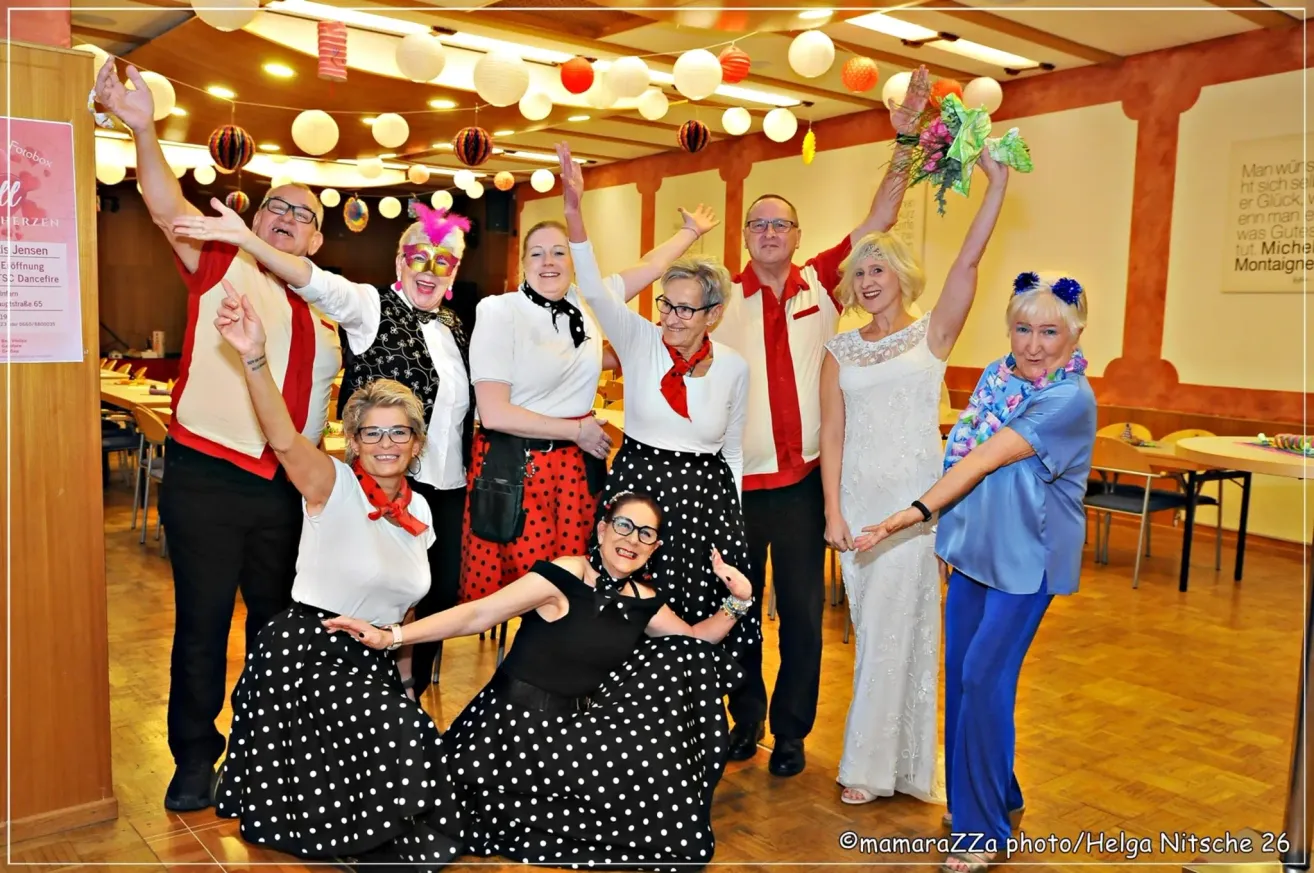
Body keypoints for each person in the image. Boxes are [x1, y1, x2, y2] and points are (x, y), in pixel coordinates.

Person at [93, 59, 344, 810]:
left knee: (275, 631)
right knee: (201, 623)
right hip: (207, 477)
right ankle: (196, 757)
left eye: (301, 214)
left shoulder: (328, 318)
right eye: (275, 206)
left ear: (318, 240)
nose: (285, 217)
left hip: (287, 492)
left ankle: (266, 752)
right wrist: (142, 126)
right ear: (253, 219)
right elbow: (166, 202)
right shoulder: (219, 263)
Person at [697, 66, 934, 777]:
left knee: (801, 618)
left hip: (802, 483)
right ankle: (747, 720)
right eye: (758, 223)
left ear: (797, 236)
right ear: (746, 235)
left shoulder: (825, 280)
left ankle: (793, 732)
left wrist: (906, 139)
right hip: (734, 483)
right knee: (737, 613)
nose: (770, 232)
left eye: (781, 223)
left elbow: (883, 215)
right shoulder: (716, 296)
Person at [326, 492, 752, 870]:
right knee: (440, 827)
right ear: (602, 529)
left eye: (646, 534)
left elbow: (696, 642)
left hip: (572, 737)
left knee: (668, 829)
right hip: (508, 731)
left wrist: (740, 599)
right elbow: (479, 613)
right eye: (624, 525)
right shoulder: (564, 574)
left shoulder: (644, 603)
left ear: (654, 548)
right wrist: (392, 636)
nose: (632, 539)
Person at [172, 198, 477, 698]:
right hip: (376, 487)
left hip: (443, 492)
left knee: (434, 607)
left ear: (455, 271)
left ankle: (404, 711)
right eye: (419, 255)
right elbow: (313, 279)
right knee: (360, 607)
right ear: (400, 260)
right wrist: (249, 241)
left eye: (444, 260)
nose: (429, 269)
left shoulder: (455, 327)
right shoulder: (369, 306)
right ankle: (349, 706)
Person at [207, 281, 463, 867]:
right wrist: (253, 358)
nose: (385, 443)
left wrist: (404, 687)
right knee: (400, 746)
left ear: (417, 442)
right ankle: (356, 838)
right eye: (371, 432)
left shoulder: (421, 509)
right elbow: (281, 436)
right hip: (309, 649)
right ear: (352, 441)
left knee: (420, 740)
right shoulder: (331, 485)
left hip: (372, 652)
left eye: (399, 431)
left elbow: (404, 610)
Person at [858, 273, 1096, 873]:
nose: (1034, 345)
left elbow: (988, 455)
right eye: (1023, 329)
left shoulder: (1069, 399)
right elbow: (961, 444)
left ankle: (982, 832)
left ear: (1075, 335)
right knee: (964, 676)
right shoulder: (996, 377)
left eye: (1049, 331)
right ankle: (998, 796)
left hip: (1029, 559)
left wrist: (910, 515)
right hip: (973, 551)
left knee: (985, 680)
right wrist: (947, 533)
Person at [820, 149, 1010, 805]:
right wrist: (832, 514)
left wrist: (997, 183)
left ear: (901, 275)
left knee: (901, 628)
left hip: (915, 506)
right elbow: (832, 434)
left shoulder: (931, 337)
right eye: (858, 271)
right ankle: (901, 763)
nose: (867, 279)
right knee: (876, 630)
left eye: (878, 268)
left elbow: (968, 264)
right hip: (856, 503)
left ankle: (869, 766)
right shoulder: (839, 348)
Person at [461, 197, 718, 607]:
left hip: (579, 469)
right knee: (535, 591)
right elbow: (493, 412)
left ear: (574, 260)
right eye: (537, 253)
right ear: (521, 263)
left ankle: (571, 667)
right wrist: (576, 430)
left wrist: (690, 231)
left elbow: (650, 266)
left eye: (559, 252)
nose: (549, 261)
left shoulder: (590, 302)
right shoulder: (499, 310)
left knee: (581, 584)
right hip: (519, 466)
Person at [553, 144, 755, 658]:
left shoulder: (734, 365)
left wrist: (730, 515)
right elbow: (597, 292)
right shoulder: (642, 341)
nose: (672, 318)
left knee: (700, 603)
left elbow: (730, 451)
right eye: (667, 304)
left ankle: (692, 707)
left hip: (705, 495)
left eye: (688, 310)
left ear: (714, 314)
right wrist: (575, 213)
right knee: (630, 599)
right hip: (640, 481)